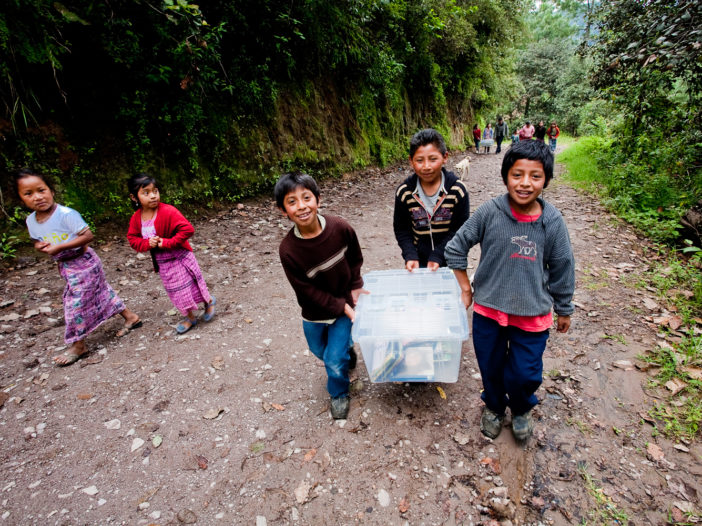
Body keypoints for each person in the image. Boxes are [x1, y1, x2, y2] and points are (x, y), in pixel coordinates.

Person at [445, 140, 575, 441]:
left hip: (532, 316)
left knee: (524, 373)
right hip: (489, 311)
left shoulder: (552, 222)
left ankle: (520, 407)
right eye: (517, 174)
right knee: (490, 367)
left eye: (535, 176)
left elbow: (562, 266)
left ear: (547, 180)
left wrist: (564, 307)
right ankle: (493, 406)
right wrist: (466, 288)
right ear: (505, 177)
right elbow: (456, 248)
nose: (525, 183)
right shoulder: (489, 212)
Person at [15, 169, 142, 366]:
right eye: (28, 193)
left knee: (75, 303)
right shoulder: (31, 221)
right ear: (20, 198)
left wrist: (60, 247)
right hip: (66, 266)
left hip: (85, 262)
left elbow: (88, 236)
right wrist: (39, 246)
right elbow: (36, 240)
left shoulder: (66, 214)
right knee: (101, 291)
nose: (37, 197)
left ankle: (78, 344)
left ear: (52, 190)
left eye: (41, 190)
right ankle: (131, 317)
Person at [276, 172, 366, 420]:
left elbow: (355, 257)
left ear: (318, 199)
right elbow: (307, 290)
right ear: (283, 211)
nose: (301, 206)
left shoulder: (340, 228)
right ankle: (347, 349)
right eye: (292, 202)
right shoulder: (288, 251)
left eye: (306, 198)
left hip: (343, 306)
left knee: (333, 360)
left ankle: (338, 393)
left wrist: (355, 286)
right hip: (314, 313)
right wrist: (340, 306)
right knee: (320, 351)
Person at [126, 173, 215, 334]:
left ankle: (208, 302)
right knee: (176, 291)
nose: (153, 196)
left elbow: (188, 229)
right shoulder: (136, 219)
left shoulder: (168, 211)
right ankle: (190, 317)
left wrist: (167, 242)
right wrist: (147, 243)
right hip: (163, 263)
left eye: (155, 191)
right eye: (146, 193)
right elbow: (132, 239)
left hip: (181, 257)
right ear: (134, 197)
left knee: (194, 285)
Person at [393, 128, 470, 271]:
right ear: (411, 161)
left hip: (451, 261)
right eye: (419, 160)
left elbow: (460, 230)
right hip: (418, 263)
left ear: (445, 157)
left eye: (433, 159)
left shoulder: (457, 191)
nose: (426, 166)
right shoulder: (405, 193)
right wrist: (410, 255)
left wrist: (438, 255)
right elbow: (402, 229)